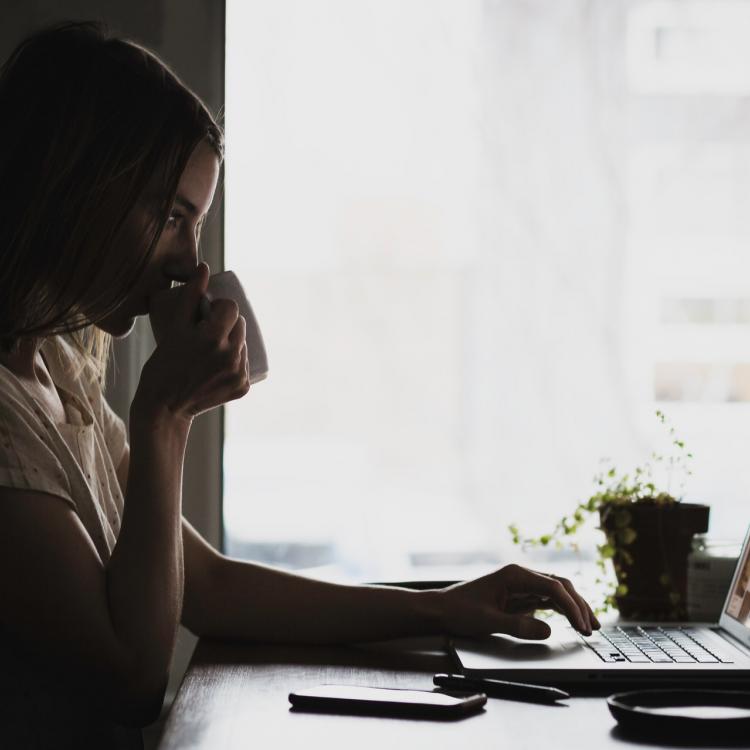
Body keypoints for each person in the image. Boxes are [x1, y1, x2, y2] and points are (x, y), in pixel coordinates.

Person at [0, 21, 599, 749]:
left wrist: (441, 608)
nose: (190, 265)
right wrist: (165, 414)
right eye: (169, 218)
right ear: (79, 189)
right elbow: (131, 681)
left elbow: (208, 585)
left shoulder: (58, 377)